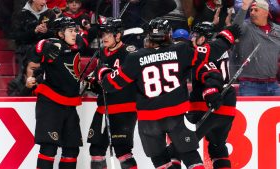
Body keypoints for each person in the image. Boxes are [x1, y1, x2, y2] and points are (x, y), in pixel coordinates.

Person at [97, 17, 241, 169]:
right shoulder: (181, 50)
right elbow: (208, 54)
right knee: (190, 155)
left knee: (161, 161)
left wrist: (103, 71)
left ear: (149, 36)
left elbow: (110, 84)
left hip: (149, 121)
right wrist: (226, 38)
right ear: (168, 35)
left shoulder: (135, 57)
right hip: (175, 118)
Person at [28, 16, 87, 169]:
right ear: (60, 34)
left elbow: (85, 39)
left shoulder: (77, 42)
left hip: (69, 104)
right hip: (50, 103)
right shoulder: (53, 45)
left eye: (75, 31)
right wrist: (42, 43)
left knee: (72, 149)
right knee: (49, 148)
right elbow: (37, 49)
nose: (74, 34)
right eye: (70, 31)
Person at [86, 17, 138, 169]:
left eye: (109, 34)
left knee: (122, 151)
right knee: (96, 150)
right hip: (103, 108)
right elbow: (99, 82)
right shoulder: (101, 54)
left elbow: (130, 80)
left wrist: (107, 78)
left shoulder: (130, 53)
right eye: (103, 34)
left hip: (123, 109)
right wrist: (93, 83)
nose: (104, 37)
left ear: (118, 35)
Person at [186, 21, 239, 169]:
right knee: (218, 147)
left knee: (183, 145)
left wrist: (210, 91)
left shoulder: (202, 51)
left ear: (203, 39)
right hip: (228, 107)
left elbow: (211, 75)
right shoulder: (220, 49)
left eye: (195, 35)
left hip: (207, 105)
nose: (191, 39)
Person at [232, 0, 280, 96]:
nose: (252, 13)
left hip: (273, 83)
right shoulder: (246, 27)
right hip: (249, 85)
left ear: (266, 13)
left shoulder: (278, 30)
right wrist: (244, 7)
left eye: (256, 10)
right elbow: (234, 29)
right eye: (251, 10)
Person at [11, 0, 55, 73]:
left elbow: (56, 34)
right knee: (25, 81)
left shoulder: (50, 14)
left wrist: (47, 31)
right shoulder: (20, 14)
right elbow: (16, 35)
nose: (44, 2)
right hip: (25, 53)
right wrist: (34, 32)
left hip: (46, 53)